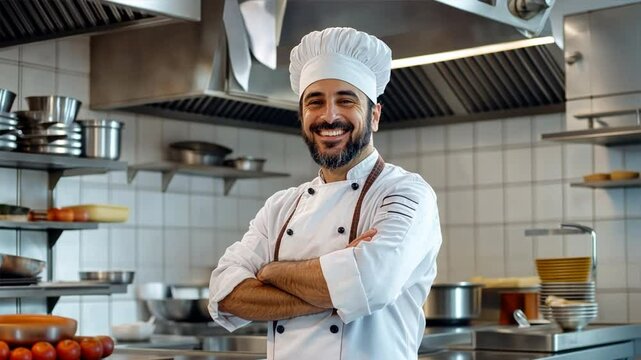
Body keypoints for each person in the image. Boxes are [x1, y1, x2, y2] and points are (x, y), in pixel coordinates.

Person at [209, 27, 442, 359]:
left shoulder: (405, 194)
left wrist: (271, 272)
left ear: (374, 115)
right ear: (302, 116)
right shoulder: (281, 206)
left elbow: (372, 285)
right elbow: (224, 294)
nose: (329, 116)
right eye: (315, 102)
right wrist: (340, 285)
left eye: (345, 100)